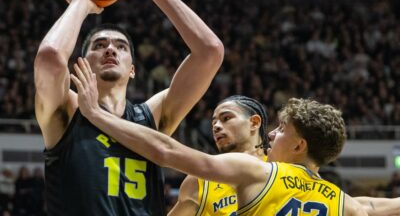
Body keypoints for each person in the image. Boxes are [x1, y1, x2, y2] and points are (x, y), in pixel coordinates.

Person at [70, 60, 368, 215]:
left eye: (279, 131)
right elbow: (371, 207)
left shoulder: (259, 171)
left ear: (299, 144)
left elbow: (166, 150)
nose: (272, 134)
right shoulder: (347, 205)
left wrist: (97, 115)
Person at [34, 0, 224, 214]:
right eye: (99, 45)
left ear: (133, 69)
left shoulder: (150, 116)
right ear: (83, 62)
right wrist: (81, 3)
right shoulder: (67, 110)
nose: (110, 49)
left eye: (121, 46)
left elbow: (210, 52)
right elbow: (49, 58)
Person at [168, 96, 400, 216]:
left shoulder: (276, 169)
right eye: (214, 122)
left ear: (254, 123)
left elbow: (346, 204)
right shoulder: (200, 180)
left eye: (226, 118)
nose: (217, 126)